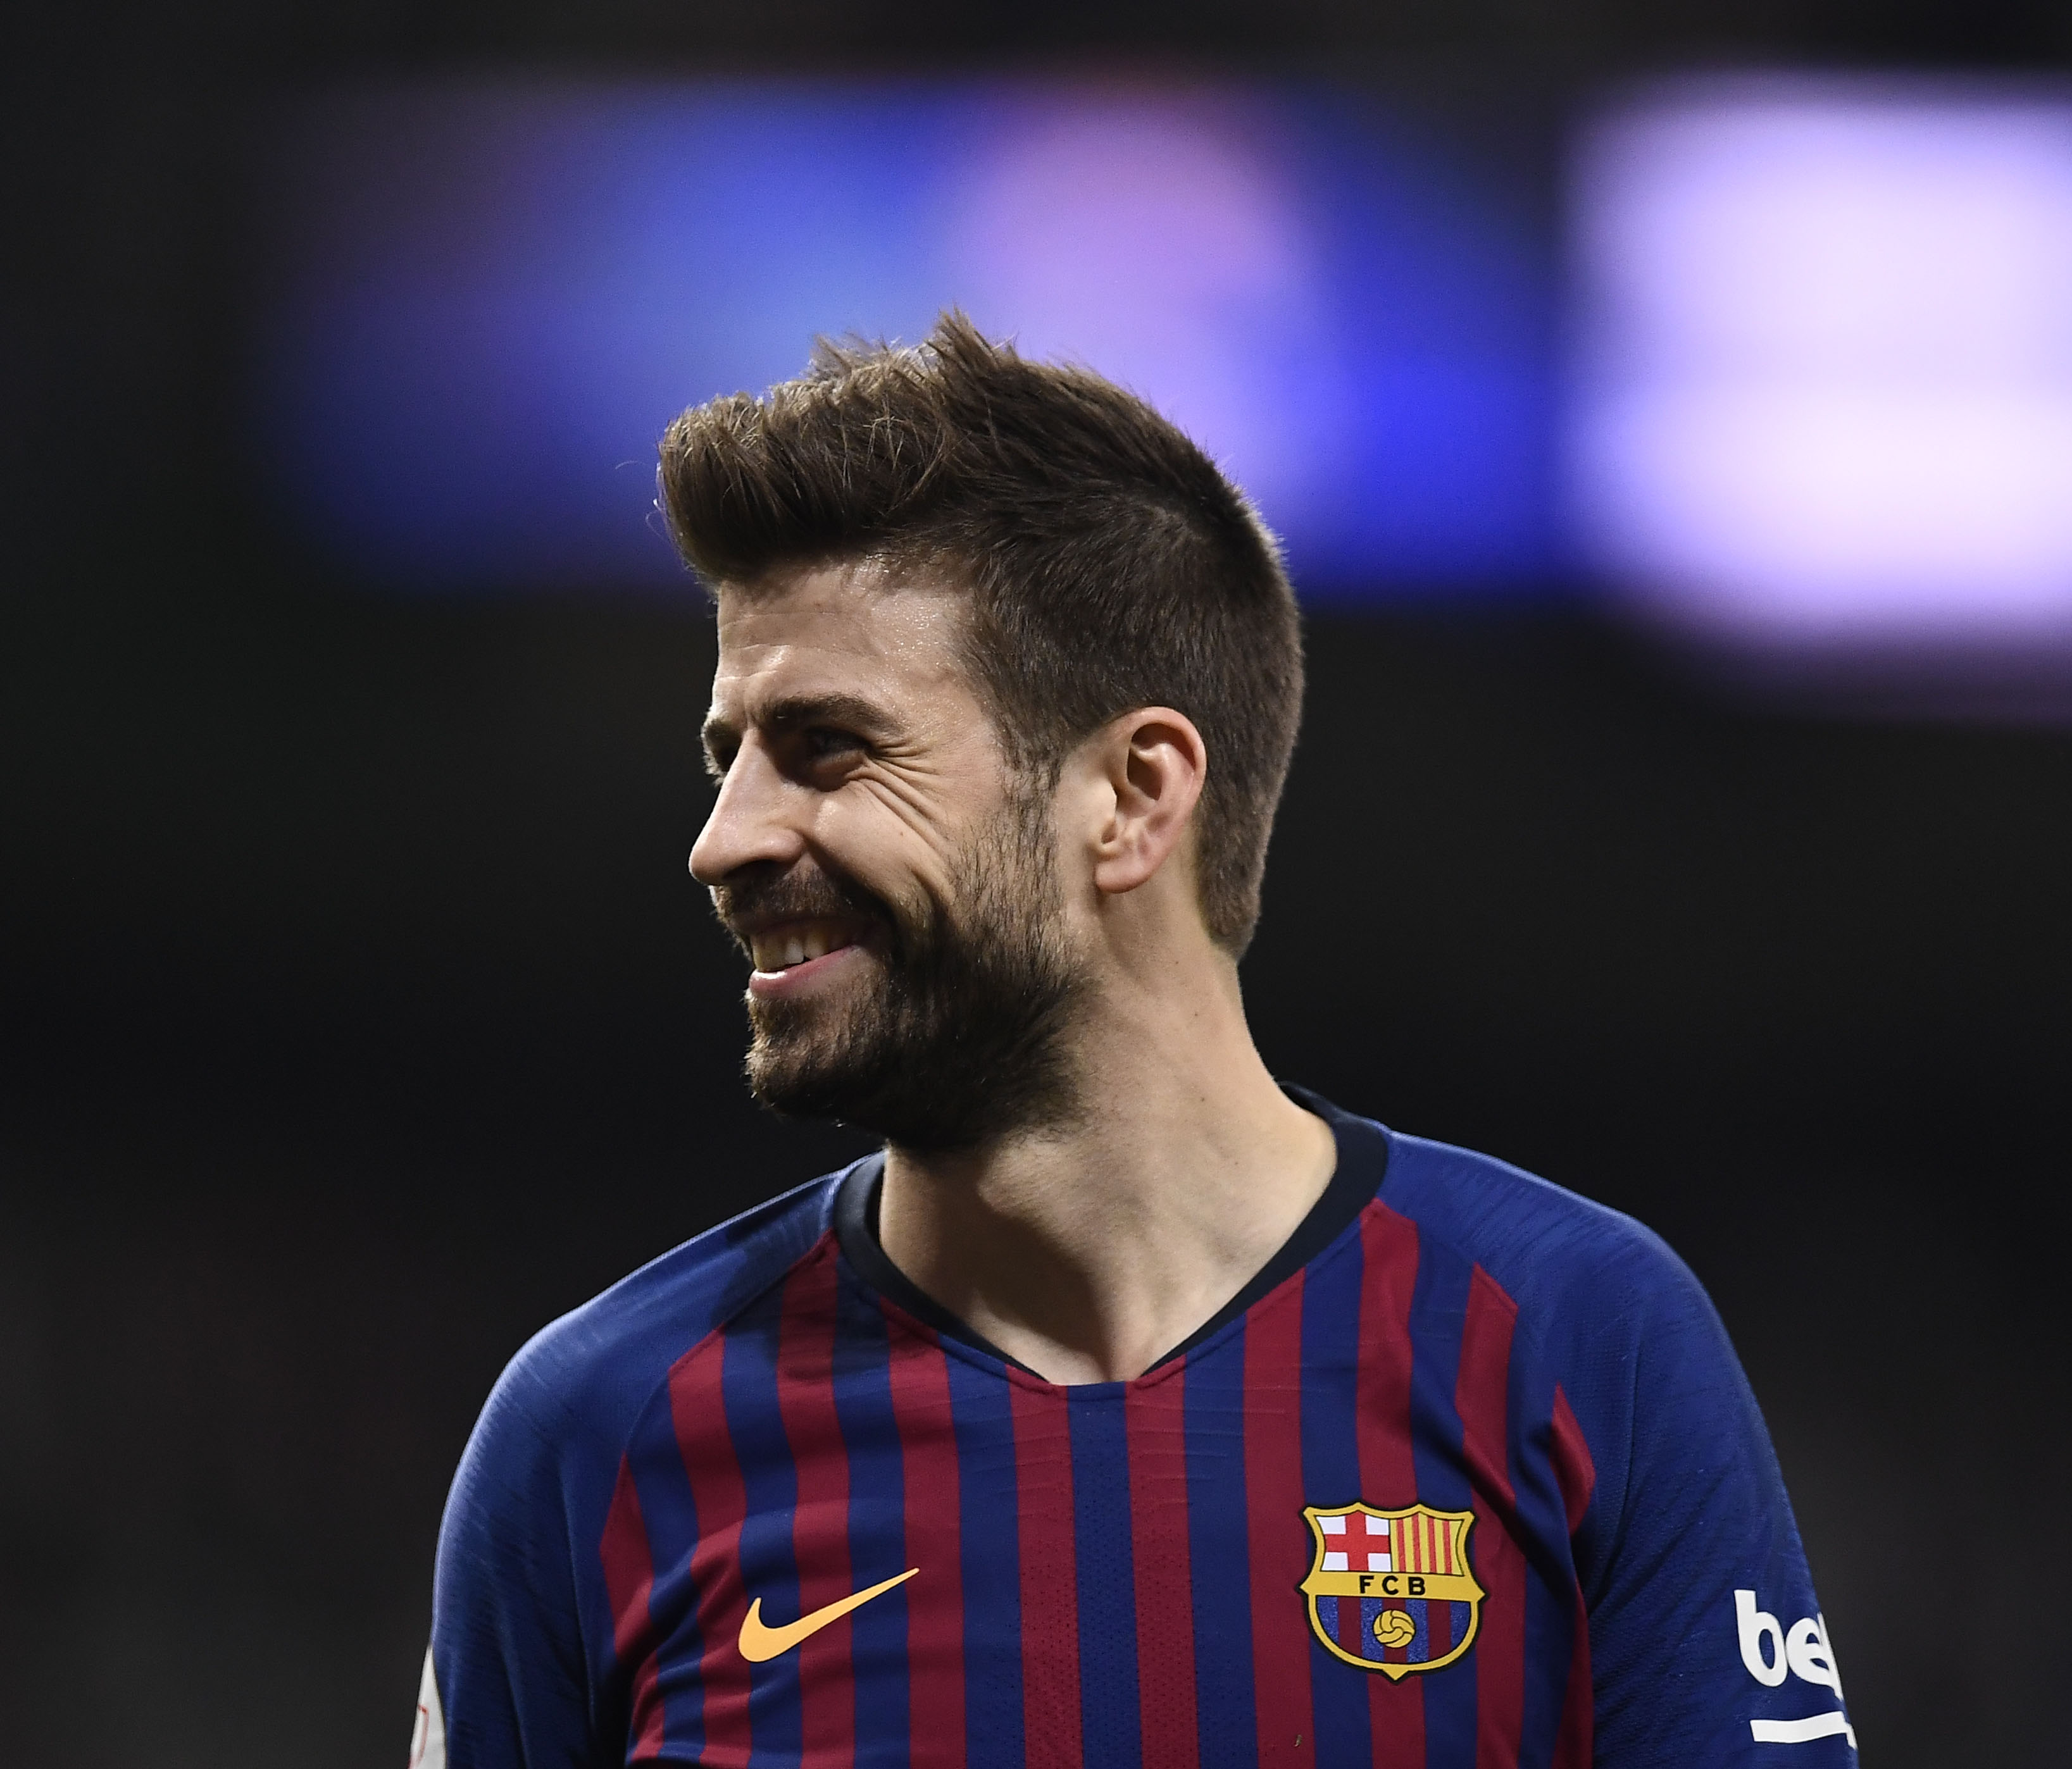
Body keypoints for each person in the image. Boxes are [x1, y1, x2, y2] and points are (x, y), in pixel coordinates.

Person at [416, 314, 1856, 1767]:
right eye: (730, 760)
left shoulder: (1575, 1344)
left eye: (829, 748)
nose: (723, 843)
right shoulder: (593, 1437)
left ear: (1131, 795)